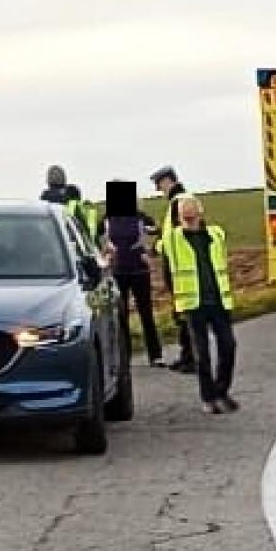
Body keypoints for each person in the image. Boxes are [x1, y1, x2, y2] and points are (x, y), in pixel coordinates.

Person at [158, 196, 239, 415]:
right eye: (185, 216)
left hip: (218, 300)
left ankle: (221, 390)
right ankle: (209, 397)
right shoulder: (172, 240)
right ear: (179, 218)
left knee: (229, 346)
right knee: (201, 353)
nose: (189, 220)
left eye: (192, 215)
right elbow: (164, 253)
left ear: (200, 215)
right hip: (193, 303)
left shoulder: (215, 234)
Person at [103, 204, 164, 368]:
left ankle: (155, 355)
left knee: (146, 314)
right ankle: (124, 357)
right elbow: (96, 238)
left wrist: (151, 251)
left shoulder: (141, 217)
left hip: (139, 270)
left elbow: (160, 230)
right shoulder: (107, 219)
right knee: (121, 317)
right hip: (118, 272)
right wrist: (106, 255)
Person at [151, 165, 197, 374]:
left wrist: (156, 247)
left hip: (181, 268)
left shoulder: (179, 202)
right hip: (182, 266)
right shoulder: (179, 201)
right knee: (183, 313)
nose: (160, 191)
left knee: (185, 313)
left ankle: (192, 358)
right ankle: (187, 355)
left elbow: (177, 237)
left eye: (160, 186)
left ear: (167, 181)